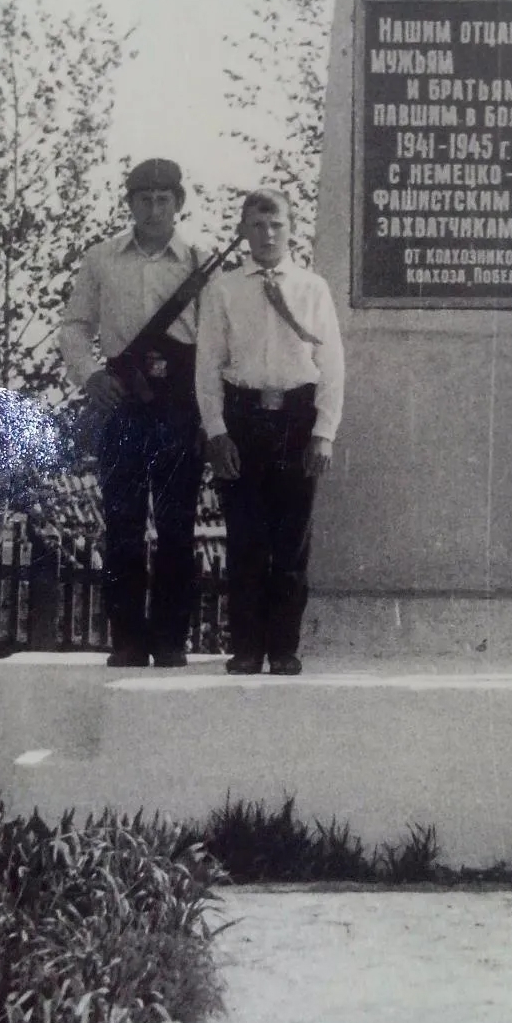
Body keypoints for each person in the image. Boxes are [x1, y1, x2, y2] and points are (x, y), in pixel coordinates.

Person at [59, 158, 205, 669]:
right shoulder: (102, 258)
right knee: (122, 524)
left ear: (179, 204)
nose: (154, 208)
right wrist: (90, 376)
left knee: (177, 525)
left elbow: (218, 338)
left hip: (179, 405)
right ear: (130, 203)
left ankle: (170, 640)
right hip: (121, 402)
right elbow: (75, 325)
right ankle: (125, 639)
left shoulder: (200, 259)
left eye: (164, 199)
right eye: (144, 199)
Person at [196, 188, 344, 676]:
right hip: (243, 417)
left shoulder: (312, 288)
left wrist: (324, 431)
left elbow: (331, 365)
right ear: (244, 230)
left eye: (276, 224)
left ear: (291, 228)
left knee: (291, 540)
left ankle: (283, 648)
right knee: (245, 537)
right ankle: (246, 648)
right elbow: (208, 366)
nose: (267, 234)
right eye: (257, 225)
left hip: (296, 419)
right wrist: (217, 431)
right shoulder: (223, 289)